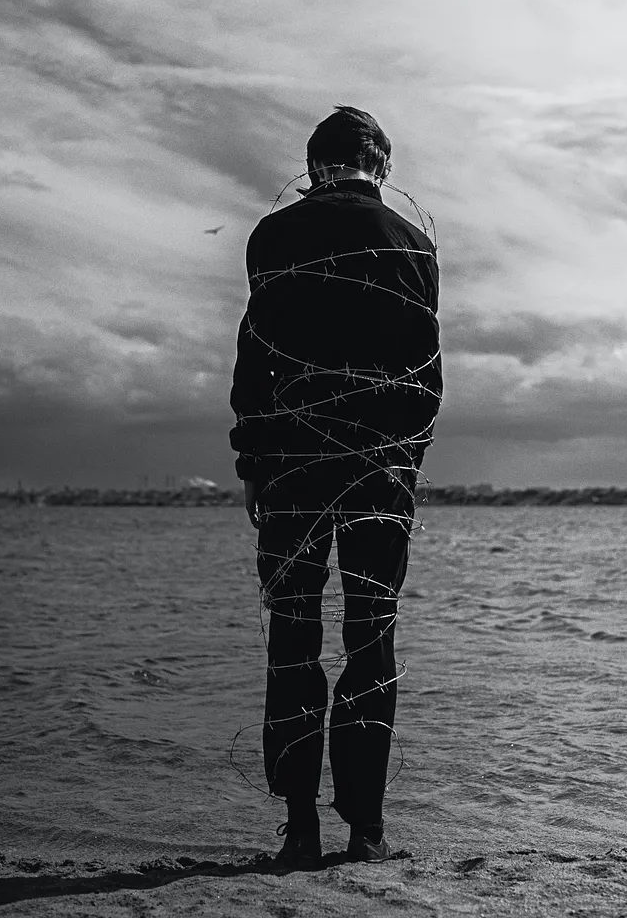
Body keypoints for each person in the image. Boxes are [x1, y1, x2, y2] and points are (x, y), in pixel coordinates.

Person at [230, 106, 442, 865]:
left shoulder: (271, 237)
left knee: (293, 641)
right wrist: (401, 469)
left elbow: (255, 360)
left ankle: (300, 831)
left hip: (291, 467)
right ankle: (367, 830)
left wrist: (253, 458)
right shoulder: (413, 244)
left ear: (315, 164)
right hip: (380, 473)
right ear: (380, 165)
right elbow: (425, 380)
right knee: (370, 638)